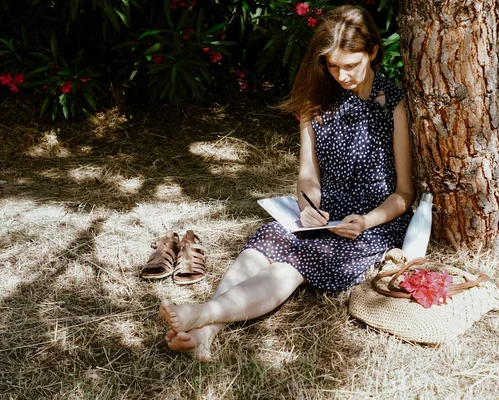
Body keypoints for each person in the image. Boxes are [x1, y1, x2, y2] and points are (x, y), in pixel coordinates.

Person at [159, 5, 415, 360]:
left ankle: (205, 313)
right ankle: (208, 332)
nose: (341, 75)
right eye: (333, 65)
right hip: (326, 216)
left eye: (351, 65)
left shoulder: (393, 103)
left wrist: (367, 220)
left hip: (372, 223)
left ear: (373, 52)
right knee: (265, 242)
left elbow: (404, 194)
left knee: (290, 264)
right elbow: (307, 176)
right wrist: (308, 207)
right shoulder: (316, 103)